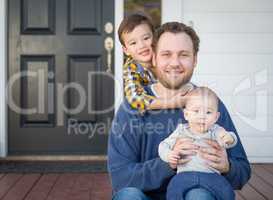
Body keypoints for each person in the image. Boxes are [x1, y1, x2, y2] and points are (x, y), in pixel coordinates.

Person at [108, 21, 251, 200]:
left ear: (195, 59)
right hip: (144, 196)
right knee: (128, 196)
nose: (174, 63)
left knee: (199, 196)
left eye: (183, 55)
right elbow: (120, 178)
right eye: (166, 54)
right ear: (154, 57)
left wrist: (227, 166)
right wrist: (170, 161)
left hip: (195, 192)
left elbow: (243, 171)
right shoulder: (133, 108)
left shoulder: (209, 104)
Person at [158, 87, 238, 200]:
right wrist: (169, 155)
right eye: (196, 111)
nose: (202, 116)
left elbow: (229, 139)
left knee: (227, 191)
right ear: (186, 114)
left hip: (212, 176)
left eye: (208, 112)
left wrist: (229, 138)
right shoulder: (181, 131)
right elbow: (163, 145)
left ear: (216, 117)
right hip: (184, 175)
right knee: (173, 188)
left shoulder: (216, 131)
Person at [118, 13, 192, 114]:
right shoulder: (131, 68)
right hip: (151, 112)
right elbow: (135, 98)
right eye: (133, 43)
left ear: (155, 37)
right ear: (126, 50)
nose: (142, 45)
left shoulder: (164, 56)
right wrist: (171, 103)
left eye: (146, 38)